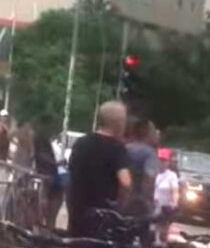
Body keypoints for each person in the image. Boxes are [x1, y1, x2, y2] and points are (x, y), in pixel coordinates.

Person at [67, 101, 132, 237]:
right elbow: (126, 182)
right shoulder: (117, 148)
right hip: (102, 215)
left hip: (77, 209)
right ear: (117, 123)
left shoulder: (81, 143)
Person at [124, 119, 159, 217]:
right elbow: (149, 178)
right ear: (147, 133)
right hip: (140, 204)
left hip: (123, 201)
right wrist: (148, 203)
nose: (156, 134)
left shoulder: (125, 148)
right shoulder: (149, 153)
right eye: (153, 131)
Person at [33, 124, 63, 228]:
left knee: (50, 210)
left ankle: (47, 230)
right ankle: (44, 229)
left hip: (52, 177)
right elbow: (41, 156)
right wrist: (56, 163)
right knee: (44, 207)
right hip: (45, 177)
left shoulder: (48, 142)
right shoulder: (40, 140)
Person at [153, 148, 180, 241]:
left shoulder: (172, 176)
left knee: (163, 230)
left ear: (168, 162)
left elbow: (175, 190)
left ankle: (162, 245)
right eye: (160, 160)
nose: (162, 162)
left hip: (165, 207)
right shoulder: (152, 173)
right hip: (151, 205)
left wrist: (175, 201)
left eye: (164, 160)